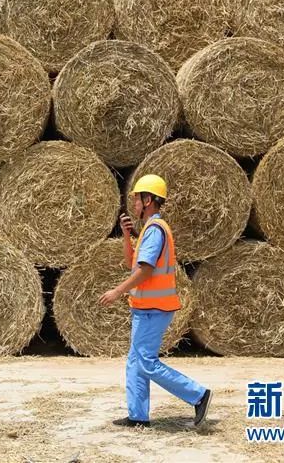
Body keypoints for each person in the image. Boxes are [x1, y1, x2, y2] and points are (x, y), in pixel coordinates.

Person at [98, 174, 212, 428]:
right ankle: (138, 416)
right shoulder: (148, 230)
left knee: (146, 362)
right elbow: (132, 264)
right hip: (145, 307)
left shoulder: (155, 231)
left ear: (148, 199)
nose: (135, 204)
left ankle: (198, 394)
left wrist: (117, 291)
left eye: (137, 199)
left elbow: (145, 271)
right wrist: (127, 235)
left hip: (155, 308)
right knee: (136, 361)